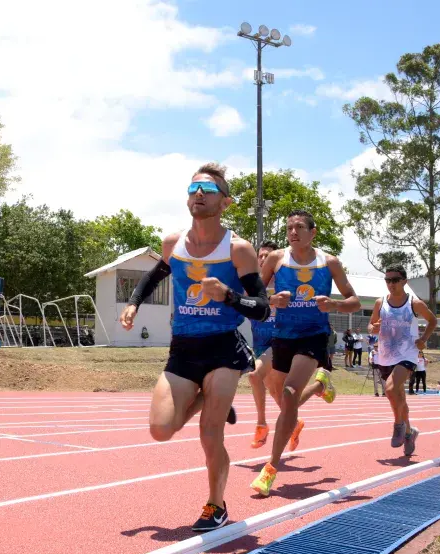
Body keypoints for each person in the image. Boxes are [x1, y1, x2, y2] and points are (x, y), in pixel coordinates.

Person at [119, 162, 270, 532]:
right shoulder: (173, 243)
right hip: (183, 350)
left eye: (208, 190)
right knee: (160, 429)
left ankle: (215, 506)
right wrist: (134, 303)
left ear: (226, 202)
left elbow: (262, 309)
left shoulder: (239, 250)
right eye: (193, 189)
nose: (199, 194)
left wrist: (230, 296)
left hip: (223, 349)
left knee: (209, 433)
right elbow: (154, 277)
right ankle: (204, 397)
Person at [249, 209, 361, 496]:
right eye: (289, 227)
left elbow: (355, 301)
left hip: (313, 336)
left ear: (313, 232)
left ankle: (270, 469)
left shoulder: (329, 263)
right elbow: (255, 298)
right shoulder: (276, 259)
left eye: (299, 227)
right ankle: (321, 385)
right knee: (284, 398)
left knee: (288, 393)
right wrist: (272, 300)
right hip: (282, 337)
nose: (293, 232)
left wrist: (334, 306)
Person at [368, 265, 437, 456]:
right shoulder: (380, 303)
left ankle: (398, 425)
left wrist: (423, 339)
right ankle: (409, 432)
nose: (391, 284)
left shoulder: (414, 303)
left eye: (395, 280)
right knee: (398, 399)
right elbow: (371, 324)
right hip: (385, 355)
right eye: (388, 280)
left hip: (408, 354)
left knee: (390, 389)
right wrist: (372, 328)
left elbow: (432, 320)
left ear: (405, 281)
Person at [249, 240, 279, 449]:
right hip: (259, 345)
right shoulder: (250, 285)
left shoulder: (284, 284)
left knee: (253, 375)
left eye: (268, 255)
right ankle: (294, 422)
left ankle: (261, 424)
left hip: (280, 343)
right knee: (278, 395)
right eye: (260, 255)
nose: (262, 258)